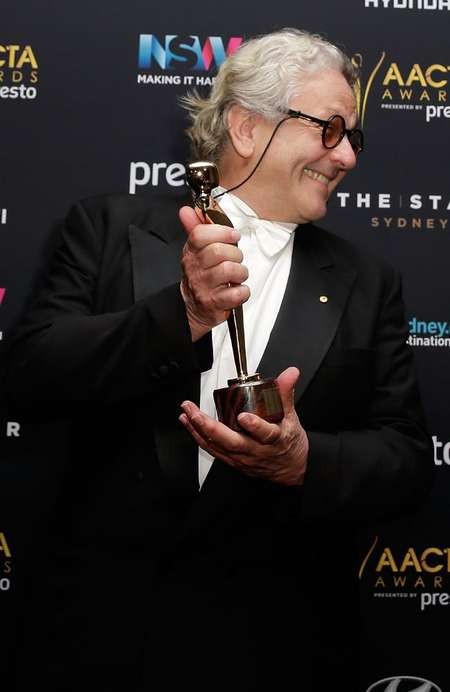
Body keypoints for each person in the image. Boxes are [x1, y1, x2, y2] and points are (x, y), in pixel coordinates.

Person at [4, 28, 433, 692]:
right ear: (245, 127)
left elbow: (406, 462)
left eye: (354, 138)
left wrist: (304, 461)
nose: (347, 155)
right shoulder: (106, 229)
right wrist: (180, 314)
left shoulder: (368, 282)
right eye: (329, 130)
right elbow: (29, 376)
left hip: (280, 652)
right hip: (95, 644)